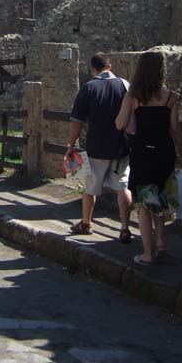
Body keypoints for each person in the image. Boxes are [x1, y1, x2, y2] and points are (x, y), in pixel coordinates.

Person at [115, 51, 182, 265]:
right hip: (164, 153)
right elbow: (175, 130)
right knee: (160, 199)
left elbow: (119, 124)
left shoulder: (134, 96)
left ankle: (147, 252)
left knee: (144, 204)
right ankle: (161, 244)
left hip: (143, 153)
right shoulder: (171, 97)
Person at [64, 53, 133, 242]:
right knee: (123, 187)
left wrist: (71, 145)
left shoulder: (88, 88)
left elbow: (77, 122)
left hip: (96, 147)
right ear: (109, 67)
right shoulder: (125, 85)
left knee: (89, 188)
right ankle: (125, 227)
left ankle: (86, 223)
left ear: (93, 69)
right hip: (121, 147)